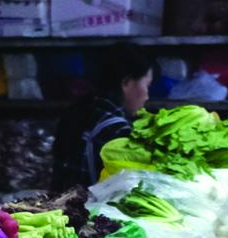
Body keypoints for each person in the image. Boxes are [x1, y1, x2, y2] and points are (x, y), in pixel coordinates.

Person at [52, 46, 157, 191]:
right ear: (127, 83)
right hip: (88, 210)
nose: (147, 96)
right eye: (147, 85)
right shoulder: (116, 129)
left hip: (62, 207)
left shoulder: (78, 111)